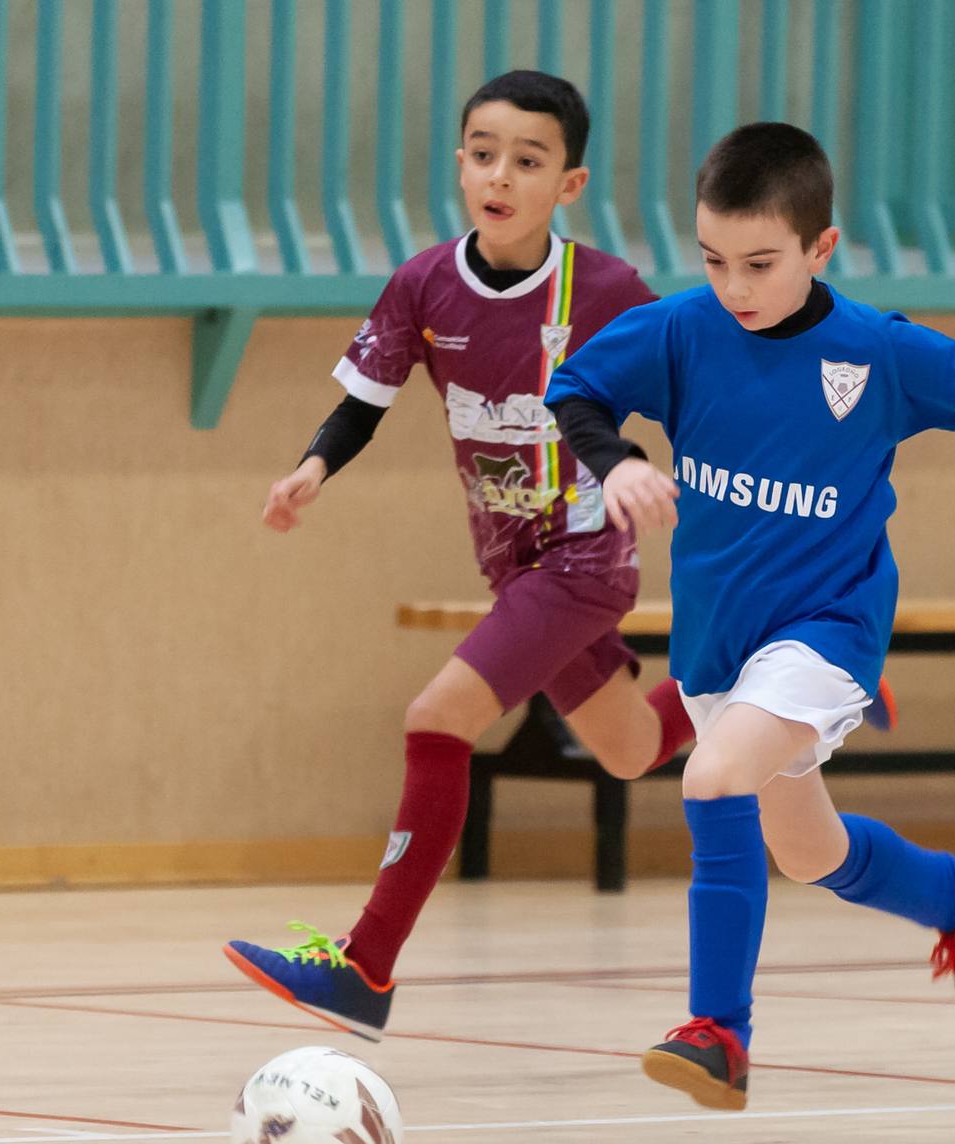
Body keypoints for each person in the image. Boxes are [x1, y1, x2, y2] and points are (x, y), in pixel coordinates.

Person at [543, 122, 955, 1110]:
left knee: (712, 778)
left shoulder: (875, 350)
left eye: (760, 264)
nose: (734, 288)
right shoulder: (681, 330)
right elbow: (575, 390)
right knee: (806, 853)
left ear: (820, 248)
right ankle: (954, 894)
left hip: (829, 629)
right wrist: (619, 460)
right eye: (714, 262)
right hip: (720, 644)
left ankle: (719, 1031)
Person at [223, 71, 696, 1042]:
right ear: (459, 163)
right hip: (508, 561)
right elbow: (365, 397)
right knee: (627, 748)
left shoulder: (605, 291)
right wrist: (314, 468)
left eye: (527, 161)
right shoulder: (425, 282)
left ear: (567, 185)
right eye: (483, 153)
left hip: (581, 560)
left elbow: (688, 388)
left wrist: (645, 470)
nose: (499, 175)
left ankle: (365, 967)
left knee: (437, 716)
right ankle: (789, 678)